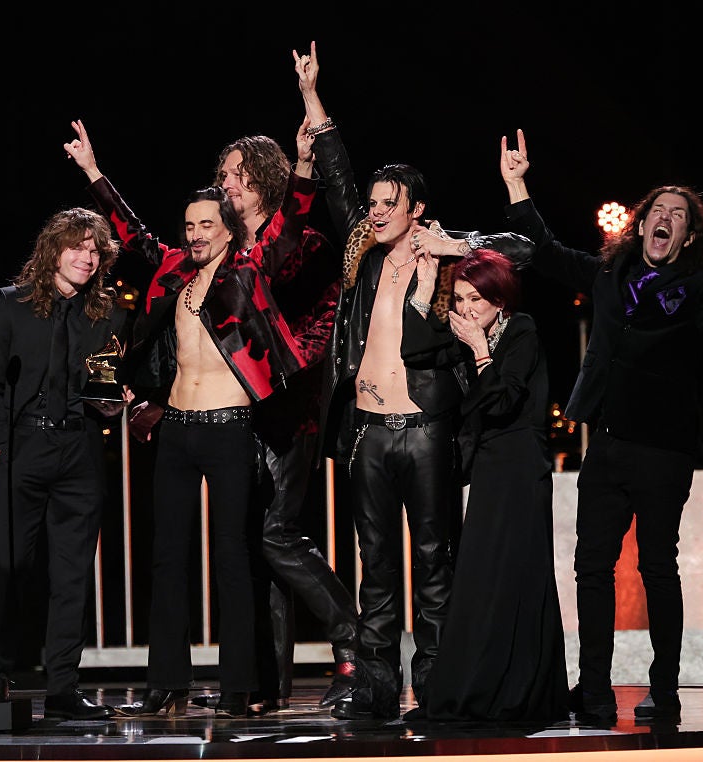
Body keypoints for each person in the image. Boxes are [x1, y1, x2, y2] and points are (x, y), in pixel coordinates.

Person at [499, 128, 703, 723]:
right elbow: (546, 252)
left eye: (678, 215)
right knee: (592, 567)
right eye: (658, 211)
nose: (666, 219)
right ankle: (595, 690)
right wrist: (517, 186)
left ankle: (665, 691)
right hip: (609, 443)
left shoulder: (701, 285)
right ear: (642, 222)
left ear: (688, 236)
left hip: (664, 449)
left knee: (657, 568)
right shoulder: (610, 274)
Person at [294, 41, 535, 720]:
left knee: (434, 563)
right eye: (372, 203)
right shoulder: (363, 258)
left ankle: (436, 682)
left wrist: (456, 246)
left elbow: (524, 252)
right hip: (369, 433)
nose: (374, 212)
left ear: (417, 210)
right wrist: (312, 97)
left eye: (388, 204)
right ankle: (374, 686)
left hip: (427, 430)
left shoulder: (447, 259)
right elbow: (336, 177)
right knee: (375, 566)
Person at [63, 118, 317, 718]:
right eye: (190, 226)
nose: (197, 234)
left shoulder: (249, 268)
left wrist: (304, 164)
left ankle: (237, 689)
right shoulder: (174, 269)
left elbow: (290, 224)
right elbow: (131, 233)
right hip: (177, 428)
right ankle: (165, 684)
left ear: (228, 228)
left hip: (230, 427)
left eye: (207, 224)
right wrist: (94, 172)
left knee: (233, 557)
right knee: (167, 558)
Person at [183, 135, 359, 714]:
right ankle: (267, 681)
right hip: (239, 411)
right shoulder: (228, 249)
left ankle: (354, 647)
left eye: (237, 173)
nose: (227, 182)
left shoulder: (304, 241)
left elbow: (326, 321)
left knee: (276, 533)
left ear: (264, 178)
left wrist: (286, 373)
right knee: (256, 545)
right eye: (224, 173)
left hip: (290, 407)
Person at [0, 206, 131, 720]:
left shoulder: (106, 315)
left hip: (79, 451)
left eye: (95, 250)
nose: (87, 257)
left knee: (72, 575)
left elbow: (105, 383)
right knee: (8, 566)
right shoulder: (9, 306)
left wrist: (113, 402)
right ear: (52, 250)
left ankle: (63, 688)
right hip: (22, 450)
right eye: (77, 247)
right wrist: (1, 444)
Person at [404, 245, 570, 723]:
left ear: (499, 299)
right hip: (490, 467)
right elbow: (414, 349)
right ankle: (471, 689)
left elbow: (502, 402)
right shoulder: (466, 331)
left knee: (515, 575)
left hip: (520, 467)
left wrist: (479, 349)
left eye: (476, 298)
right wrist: (425, 289)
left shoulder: (521, 330)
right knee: (479, 578)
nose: (466, 308)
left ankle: (518, 692)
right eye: (459, 299)